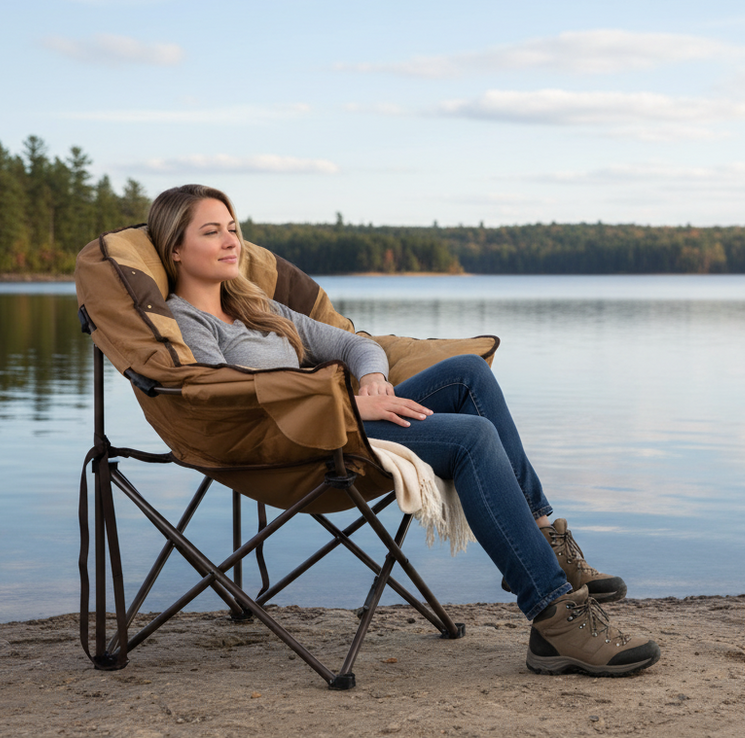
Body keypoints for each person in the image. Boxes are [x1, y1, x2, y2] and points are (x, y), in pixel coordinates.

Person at [147, 184, 660, 677]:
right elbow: (232, 402)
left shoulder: (255, 306)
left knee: (468, 373)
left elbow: (355, 344)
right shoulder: (187, 321)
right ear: (175, 249)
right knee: (473, 437)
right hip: (298, 443)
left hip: (342, 419)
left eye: (233, 228)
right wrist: (350, 406)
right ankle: (552, 618)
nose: (232, 241)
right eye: (212, 232)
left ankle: (544, 536)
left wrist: (372, 382)